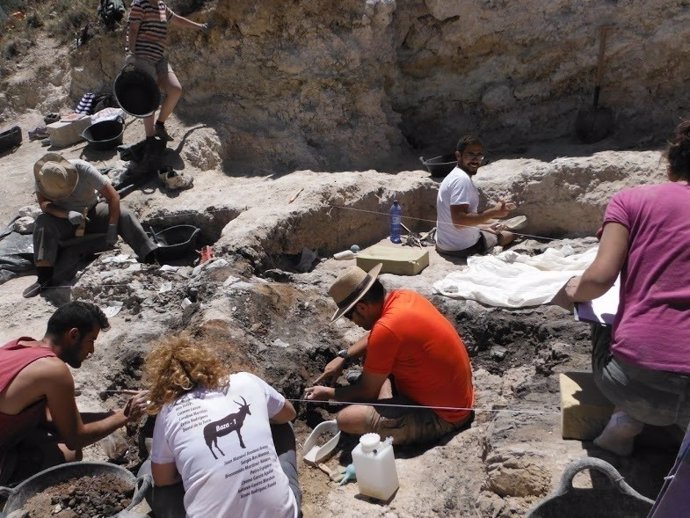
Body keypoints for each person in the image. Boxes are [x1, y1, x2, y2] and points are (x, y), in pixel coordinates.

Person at [565, 119, 690, 456]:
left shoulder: (631, 200)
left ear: (672, 163)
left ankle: (625, 422)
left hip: (632, 385)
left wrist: (574, 289)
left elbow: (599, 280)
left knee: (601, 317)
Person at [305, 264, 474, 446]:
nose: (352, 322)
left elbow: (366, 391)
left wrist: (327, 393)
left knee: (347, 419)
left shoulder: (386, 330)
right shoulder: (404, 297)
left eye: (349, 316)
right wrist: (344, 357)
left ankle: (388, 406)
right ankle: (386, 401)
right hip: (457, 398)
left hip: (444, 417)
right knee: (372, 357)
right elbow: (378, 333)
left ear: (361, 308)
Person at [143, 333, 301, 518]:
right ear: (208, 363)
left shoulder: (169, 410)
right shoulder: (247, 380)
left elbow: (163, 480)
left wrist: (193, 474)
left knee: (148, 473)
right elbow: (289, 413)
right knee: (283, 426)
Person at [0, 301, 148, 485]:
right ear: (74, 335)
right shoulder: (54, 370)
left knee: (42, 432)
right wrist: (125, 417)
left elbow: (47, 419)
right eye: (91, 341)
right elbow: (75, 439)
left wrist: (114, 414)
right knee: (70, 454)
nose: (92, 350)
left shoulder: (19, 345)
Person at [25, 152, 158, 298]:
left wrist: (112, 227)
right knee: (42, 223)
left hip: (92, 211)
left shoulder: (83, 168)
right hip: (65, 221)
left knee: (124, 214)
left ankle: (150, 256)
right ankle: (44, 278)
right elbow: (44, 205)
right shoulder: (43, 179)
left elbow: (113, 196)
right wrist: (66, 214)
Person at [125, 0, 207, 142]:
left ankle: (160, 125)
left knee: (175, 90)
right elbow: (133, 30)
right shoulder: (140, 4)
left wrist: (199, 26)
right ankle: (150, 138)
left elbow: (177, 20)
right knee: (148, 97)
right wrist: (132, 55)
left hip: (159, 58)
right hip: (142, 57)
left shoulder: (161, 6)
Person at [435, 135, 517, 257]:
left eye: (479, 155)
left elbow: (459, 219)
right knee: (510, 235)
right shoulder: (462, 180)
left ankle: (486, 231)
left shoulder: (454, 175)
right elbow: (459, 222)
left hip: (444, 243)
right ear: (458, 156)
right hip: (461, 248)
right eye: (470, 154)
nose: (475, 159)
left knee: (494, 224)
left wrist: (485, 226)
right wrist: (493, 212)